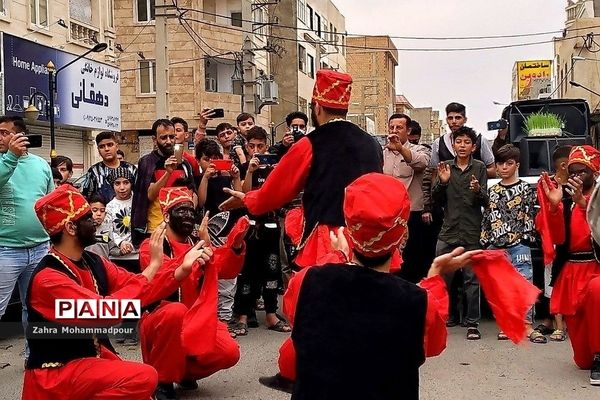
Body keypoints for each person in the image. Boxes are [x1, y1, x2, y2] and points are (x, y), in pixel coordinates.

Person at [260, 173, 480, 398]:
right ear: (402, 234)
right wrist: (434, 276)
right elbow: (432, 344)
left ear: (348, 226)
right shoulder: (418, 301)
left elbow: (300, 319)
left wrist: (336, 255)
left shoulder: (307, 281)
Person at [22, 185, 208, 400]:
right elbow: (103, 313)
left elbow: (136, 287)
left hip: (90, 358)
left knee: (142, 387)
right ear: (71, 228)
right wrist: (154, 265)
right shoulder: (48, 280)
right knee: (143, 378)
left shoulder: (93, 261)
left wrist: (181, 269)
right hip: (57, 374)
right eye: (88, 217)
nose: (96, 220)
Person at [220, 69, 383, 269]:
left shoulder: (311, 143)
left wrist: (246, 199)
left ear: (317, 108)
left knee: (321, 296)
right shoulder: (372, 144)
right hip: (368, 239)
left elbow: (275, 192)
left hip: (327, 240)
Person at [138, 187, 248, 400]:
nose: (188, 216)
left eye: (191, 211)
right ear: (167, 215)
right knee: (175, 311)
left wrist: (235, 244)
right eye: (182, 211)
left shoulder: (195, 243)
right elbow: (161, 279)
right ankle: (162, 379)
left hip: (193, 321)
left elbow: (224, 269)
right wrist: (194, 254)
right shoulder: (151, 245)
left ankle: (182, 371)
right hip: (161, 323)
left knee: (229, 352)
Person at [539, 145, 600, 385]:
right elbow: (557, 239)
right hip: (572, 271)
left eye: (582, 171)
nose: (576, 176)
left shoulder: (596, 198)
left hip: (596, 270)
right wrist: (554, 208)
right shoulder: (565, 200)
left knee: (597, 293)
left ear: (594, 172)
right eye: (572, 172)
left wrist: (585, 205)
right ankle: (591, 355)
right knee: (581, 361)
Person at [0, 116, 53, 358]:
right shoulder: (2, 162)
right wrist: (10, 157)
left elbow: (50, 203)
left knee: (34, 307)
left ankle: (35, 356)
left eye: (4, 132)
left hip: (40, 248)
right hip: (6, 250)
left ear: (20, 136)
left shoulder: (41, 165)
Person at [231, 127, 291, 336]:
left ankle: (271, 313)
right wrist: (250, 171)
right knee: (247, 271)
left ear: (266, 146)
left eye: (260, 146)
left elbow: (277, 195)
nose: (256, 150)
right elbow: (244, 196)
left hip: (271, 225)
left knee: (272, 270)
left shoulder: (275, 168)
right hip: (249, 225)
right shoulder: (242, 167)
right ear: (246, 147)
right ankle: (243, 315)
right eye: (251, 146)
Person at [480, 144, 542, 343]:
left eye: (509, 163)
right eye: (500, 163)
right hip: (496, 245)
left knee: (524, 285)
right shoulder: (493, 190)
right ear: (496, 166)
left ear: (517, 165)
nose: (504, 167)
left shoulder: (525, 188)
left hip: (519, 244)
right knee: (502, 288)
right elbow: (488, 217)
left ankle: (527, 325)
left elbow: (530, 214)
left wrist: (526, 237)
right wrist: (486, 240)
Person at [432, 126, 488, 340]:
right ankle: (445, 317)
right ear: (453, 145)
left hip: (472, 231)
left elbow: (486, 201)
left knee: (471, 280)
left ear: (473, 146)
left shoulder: (480, 168)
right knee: (442, 278)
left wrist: (478, 191)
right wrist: (443, 183)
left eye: (467, 142)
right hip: (448, 231)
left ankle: (472, 323)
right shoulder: (445, 167)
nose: (462, 146)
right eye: (459, 142)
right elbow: (436, 200)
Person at [131, 119, 197, 245]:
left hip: (181, 229)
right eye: (163, 137)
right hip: (156, 229)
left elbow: (193, 194)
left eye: (171, 137)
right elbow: (149, 195)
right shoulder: (147, 162)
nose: (168, 141)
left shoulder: (184, 163)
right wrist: (168, 173)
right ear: (154, 139)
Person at [383, 114, 431, 283]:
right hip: (389, 215)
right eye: (392, 127)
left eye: (399, 128)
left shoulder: (419, 150)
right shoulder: (382, 153)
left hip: (412, 214)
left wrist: (400, 149)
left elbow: (421, 163)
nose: (394, 131)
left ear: (408, 130)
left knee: (413, 260)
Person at [535, 145, 571, 341]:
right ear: (564, 165)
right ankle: (557, 323)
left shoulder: (577, 183)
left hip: (574, 238)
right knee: (552, 278)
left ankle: (560, 321)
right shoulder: (547, 183)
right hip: (554, 237)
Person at [82, 131, 137, 204]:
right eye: (102, 146)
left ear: (117, 147)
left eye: (110, 145)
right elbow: (87, 198)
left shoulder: (131, 169)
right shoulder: (94, 172)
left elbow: (139, 194)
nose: (106, 149)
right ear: (98, 150)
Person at [105, 167, 135, 256]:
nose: (122, 187)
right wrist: (121, 242)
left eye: (126, 183)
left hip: (138, 254)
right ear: (112, 185)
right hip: (117, 255)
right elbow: (108, 230)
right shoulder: (110, 207)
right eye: (117, 183)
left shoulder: (138, 203)